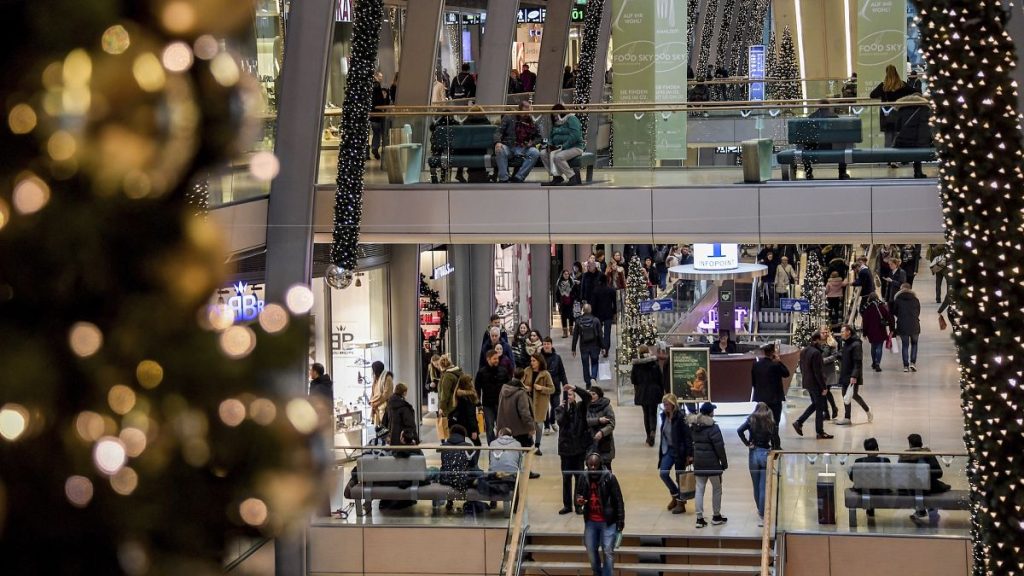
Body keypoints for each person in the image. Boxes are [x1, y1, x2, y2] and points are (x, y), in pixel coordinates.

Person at [575, 452, 625, 576]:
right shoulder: (583, 477)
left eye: (595, 465)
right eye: (590, 465)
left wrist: (620, 522)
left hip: (608, 521)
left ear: (600, 465)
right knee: (591, 550)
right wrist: (579, 501)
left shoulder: (610, 478)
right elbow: (577, 496)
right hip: (591, 521)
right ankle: (597, 573)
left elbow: (618, 500)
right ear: (587, 464)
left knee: (608, 551)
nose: (592, 468)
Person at [738, 402, 781, 526]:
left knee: (755, 485)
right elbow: (776, 440)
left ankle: (759, 510)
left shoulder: (751, 419)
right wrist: (775, 453)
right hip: (765, 454)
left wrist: (747, 443)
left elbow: (739, 430)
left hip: (753, 453)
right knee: (763, 487)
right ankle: (763, 513)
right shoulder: (770, 422)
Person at [688, 402, 728, 528]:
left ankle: (699, 518)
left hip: (699, 462)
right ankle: (716, 516)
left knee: (699, 489)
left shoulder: (693, 426)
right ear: (710, 412)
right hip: (712, 464)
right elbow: (719, 447)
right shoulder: (713, 428)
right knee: (717, 488)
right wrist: (724, 462)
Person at [555, 383, 591, 514]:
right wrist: (565, 408)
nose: (569, 397)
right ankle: (567, 505)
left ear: (575, 396)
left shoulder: (581, 408)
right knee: (566, 479)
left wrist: (575, 387)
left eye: (571, 394)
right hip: (565, 450)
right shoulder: (559, 409)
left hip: (579, 449)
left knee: (579, 478)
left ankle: (578, 504)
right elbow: (561, 422)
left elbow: (587, 397)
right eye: (567, 395)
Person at [899, 433, 950, 523]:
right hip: (929, 488)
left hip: (910, 489)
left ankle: (921, 510)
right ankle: (931, 511)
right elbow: (939, 473)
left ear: (910, 444)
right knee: (938, 486)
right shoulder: (927, 454)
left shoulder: (903, 456)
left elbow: (901, 475)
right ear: (921, 444)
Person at [792, 332, 835, 439]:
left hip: (808, 382)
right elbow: (818, 372)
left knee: (816, 404)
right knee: (819, 407)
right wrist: (824, 387)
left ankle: (799, 422)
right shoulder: (816, 353)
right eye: (821, 340)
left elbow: (801, 368)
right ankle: (819, 431)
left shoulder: (804, 351)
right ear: (816, 340)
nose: (822, 342)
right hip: (816, 384)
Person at [659, 393, 694, 515]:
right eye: (664, 404)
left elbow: (688, 437)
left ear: (673, 404)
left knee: (680, 478)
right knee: (663, 473)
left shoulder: (681, 418)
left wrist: (689, 454)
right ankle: (675, 495)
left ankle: (680, 503)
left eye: (667, 404)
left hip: (680, 451)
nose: (665, 406)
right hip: (668, 449)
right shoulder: (664, 416)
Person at [870, 64, 916, 152]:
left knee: (888, 137)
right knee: (897, 136)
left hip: (886, 113)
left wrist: (882, 96)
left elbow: (872, 95)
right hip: (899, 113)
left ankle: (889, 158)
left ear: (886, 73)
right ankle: (896, 158)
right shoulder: (902, 84)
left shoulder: (883, 86)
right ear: (896, 72)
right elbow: (915, 91)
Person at [493, 100, 541, 183]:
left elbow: (539, 137)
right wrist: (497, 142)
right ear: (520, 109)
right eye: (525, 111)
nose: (527, 114)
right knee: (500, 149)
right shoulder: (508, 117)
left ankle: (519, 177)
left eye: (529, 112)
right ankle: (503, 178)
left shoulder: (532, 122)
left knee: (535, 152)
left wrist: (532, 143)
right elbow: (498, 131)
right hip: (509, 146)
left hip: (525, 147)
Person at [802, 100, 850, 179]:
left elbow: (808, 135)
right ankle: (842, 172)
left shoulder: (812, 117)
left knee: (806, 146)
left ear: (818, 106)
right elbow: (839, 135)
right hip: (833, 147)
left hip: (814, 148)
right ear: (828, 106)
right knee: (842, 146)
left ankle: (808, 172)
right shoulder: (834, 116)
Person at [540, 103, 586, 186]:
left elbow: (575, 135)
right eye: (554, 116)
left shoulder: (572, 119)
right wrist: (550, 145)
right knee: (543, 153)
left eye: (556, 115)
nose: (555, 118)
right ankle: (556, 176)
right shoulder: (556, 123)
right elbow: (551, 137)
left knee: (559, 157)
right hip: (558, 148)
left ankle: (572, 177)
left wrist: (564, 146)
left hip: (574, 147)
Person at [836, 324, 872, 425]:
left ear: (849, 332)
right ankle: (847, 418)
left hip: (852, 374)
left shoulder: (856, 344)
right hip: (845, 373)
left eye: (843, 331)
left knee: (853, 395)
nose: (841, 333)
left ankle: (867, 410)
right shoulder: (846, 343)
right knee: (846, 395)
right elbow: (842, 354)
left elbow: (858, 362)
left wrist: (854, 376)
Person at [439, 424, 479, 513]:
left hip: (446, 479)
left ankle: (449, 501)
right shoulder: (468, 446)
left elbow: (443, 463)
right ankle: (471, 501)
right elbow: (473, 463)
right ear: (463, 435)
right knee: (476, 470)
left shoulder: (444, 446)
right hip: (463, 479)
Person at [631, 344, 665, 446]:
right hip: (654, 391)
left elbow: (634, 380)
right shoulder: (654, 363)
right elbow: (660, 378)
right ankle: (653, 431)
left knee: (646, 414)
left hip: (642, 391)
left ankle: (648, 436)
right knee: (653, 413)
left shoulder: (636, 365)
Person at [849, 437, 891, 518]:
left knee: (868, 483)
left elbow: (853, 478)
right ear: (877, 449)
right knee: (875, 483)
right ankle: (871, 508)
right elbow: (888, 477)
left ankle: (870, 508)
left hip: (863, 490)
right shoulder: (885, 460)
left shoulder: (859, 461)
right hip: (881, 491)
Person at [893, 92, 932, 178]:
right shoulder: (924, 109)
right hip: (918, 141)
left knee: (913, 142)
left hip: (903, 142)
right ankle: (918, 171)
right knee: (918, 143)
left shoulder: (902, 109)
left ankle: (905, 161)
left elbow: (897, 127)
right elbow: (925, 129)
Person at [475, 349, 510, 444]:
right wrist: (478, 403)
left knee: (501, 425)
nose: (497, 360)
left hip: (501, 403)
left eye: (497, 358)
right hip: (488, 404)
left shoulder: (503, 371)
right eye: (494, 359)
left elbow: (508, 386)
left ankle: (500, 443)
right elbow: (477, 389)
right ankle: (492, 445)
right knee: (489, 426)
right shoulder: (481, 373)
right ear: (488, 359)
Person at [751, 343, 790, 425]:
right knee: (775, 421)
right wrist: (779, 361)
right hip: (774, 399)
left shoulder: (756, 365)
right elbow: (786, 373)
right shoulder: (775, 365)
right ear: (773, 353)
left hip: (761, 398)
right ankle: (774, 437)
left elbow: (753, 382)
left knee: (762, 421)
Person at [524, 353, 555, 456]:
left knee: (539, 425)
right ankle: (530, 444)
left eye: (534, 361)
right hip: (528, 401)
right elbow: (520, 383)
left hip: (541, 403)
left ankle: (537, 446)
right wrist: (526, 388)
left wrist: (541, 388)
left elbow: (552, 389)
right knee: (528, 423)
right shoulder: (527, 371)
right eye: (531, 360)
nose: (532, 363)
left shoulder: (545, 374)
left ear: (539, 362)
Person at [496, 368, 535, 449]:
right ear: (523, 377)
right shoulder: (521, 393)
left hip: (504, 429)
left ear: (513, 375)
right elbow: (524, 412)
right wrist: (531, 427)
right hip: (520, 431)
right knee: (523, 453)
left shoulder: (503, 389)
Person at [891, 282, 921, 372]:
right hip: (915, 325)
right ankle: (913, 363)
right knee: (914, 344)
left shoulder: (898, 300)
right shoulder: (916, 300)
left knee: (905, 345)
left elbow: (894, 311)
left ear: (901, 289)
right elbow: (918, 312)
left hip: (902, 325)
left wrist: (900, 316)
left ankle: (905, 366)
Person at [572, 303, 604, 389]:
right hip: (595, 345)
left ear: (583, 310)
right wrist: (603, 347)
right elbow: (600, 335)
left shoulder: (578, 321)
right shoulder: (596, 320)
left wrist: (573, 349)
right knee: (594, 362)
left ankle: (587, 382)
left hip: (583, 346)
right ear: (591, 310)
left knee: (585, 364)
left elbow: (575, 335)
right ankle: (593, 377)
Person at [541, 336, 569, 432]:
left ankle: (552, 421)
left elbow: (562, 371)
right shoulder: (539, 357)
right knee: (545, 407)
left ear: (551, 345)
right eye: (544, 344)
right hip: (543, 386)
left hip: (555, 386)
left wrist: (565, 383)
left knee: (555, 405)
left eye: (548, 344)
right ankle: (547, 426)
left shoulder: (557, 358)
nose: (546, 346)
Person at [860, 294, 894, 372]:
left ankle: (874, 362)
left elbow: (865, 322)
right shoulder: (882, 306)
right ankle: (878, 363)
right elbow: (889, 317)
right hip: (881, 330)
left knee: (873, 347)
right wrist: (892, 328)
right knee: (879, 347)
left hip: (871, 332)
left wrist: (864, 333)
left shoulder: (867, 308)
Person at [586, 386, 616, 470]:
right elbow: (585, 421)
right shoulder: (586, 406)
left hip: (604, 443)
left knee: (606, 469)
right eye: (590, 394)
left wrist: (602, 432)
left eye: (594, 394)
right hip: (590, 442)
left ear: (599, 395)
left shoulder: (606, 406)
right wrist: (598, 420)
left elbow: (611, 424)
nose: (591, 396)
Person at [589, 275, 617, 358]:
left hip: (598, 315)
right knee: (607, 333)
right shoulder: (611, 290)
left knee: (598, 332)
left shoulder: (595, 290)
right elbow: (615, 303)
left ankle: (599, 347)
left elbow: (593, 304)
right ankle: (606, 350)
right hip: (608, 314)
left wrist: (592, 314)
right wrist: (614, 312)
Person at [385, 382, 417, 446]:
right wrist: (410, 438)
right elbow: (410, 424)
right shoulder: (405, 407)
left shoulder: (389, 405)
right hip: (402, 440)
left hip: (391, 439)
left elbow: (385, 421)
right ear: (404, 392)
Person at [369, 71, 390, 160]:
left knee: (376, 133)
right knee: (381, 133)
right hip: (378, 114)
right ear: (376, 76)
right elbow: (379, 100)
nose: (381, 78)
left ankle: (375, 147)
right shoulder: (377, 86)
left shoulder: (370, 86)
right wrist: (384, 102)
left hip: (372, 115)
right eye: (380, 76)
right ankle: (379, 149)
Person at [437, 355, 463, 423]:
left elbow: (445, 394)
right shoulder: (458, 373)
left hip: (450, 407)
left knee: (448, 429)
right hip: (458, 404)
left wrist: (441, 407)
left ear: (441, 366)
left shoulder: (447, 376)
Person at [555, 269, 580, 338]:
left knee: (571, 316)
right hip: (563, 302)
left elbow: (576, 291)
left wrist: (574, 297)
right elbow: (557, 293)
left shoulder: (572, 282)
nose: (566, 275)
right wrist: (557, 302)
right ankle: (565, 332)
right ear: (562, 275)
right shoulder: (559, 283)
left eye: (567, 274)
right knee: (563, 317)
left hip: (571, 302)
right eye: (565, 274)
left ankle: (571, 331)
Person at [369, 361, 394, 428]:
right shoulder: (376, 378)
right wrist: (371, 401)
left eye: (373, 369)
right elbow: (373, 390)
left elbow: (386, 394)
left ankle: (384, 438)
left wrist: (376, 403)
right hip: (376, 407)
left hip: (384, 407)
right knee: (378, 428)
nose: (372, 371)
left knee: (384, 427)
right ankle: (379, 437)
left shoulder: (387, 378)